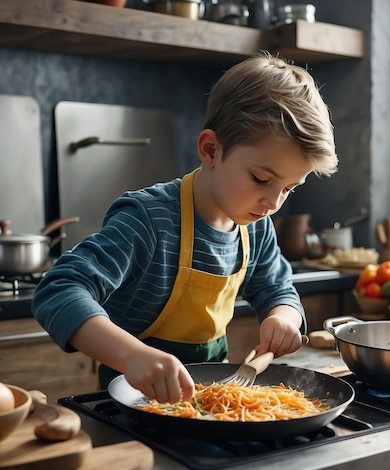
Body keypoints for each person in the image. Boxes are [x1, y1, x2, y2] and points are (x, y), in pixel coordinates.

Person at [32, 51, 338, 404]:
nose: (273, 203)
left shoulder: (254, 226)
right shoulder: (149, 220)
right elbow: (59, 289)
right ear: (210, 150)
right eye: (260, 179)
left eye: (288, 188)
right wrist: (131, 356)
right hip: (131, 402)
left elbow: (277, 288)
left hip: (210, 401)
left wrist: (284, 316)